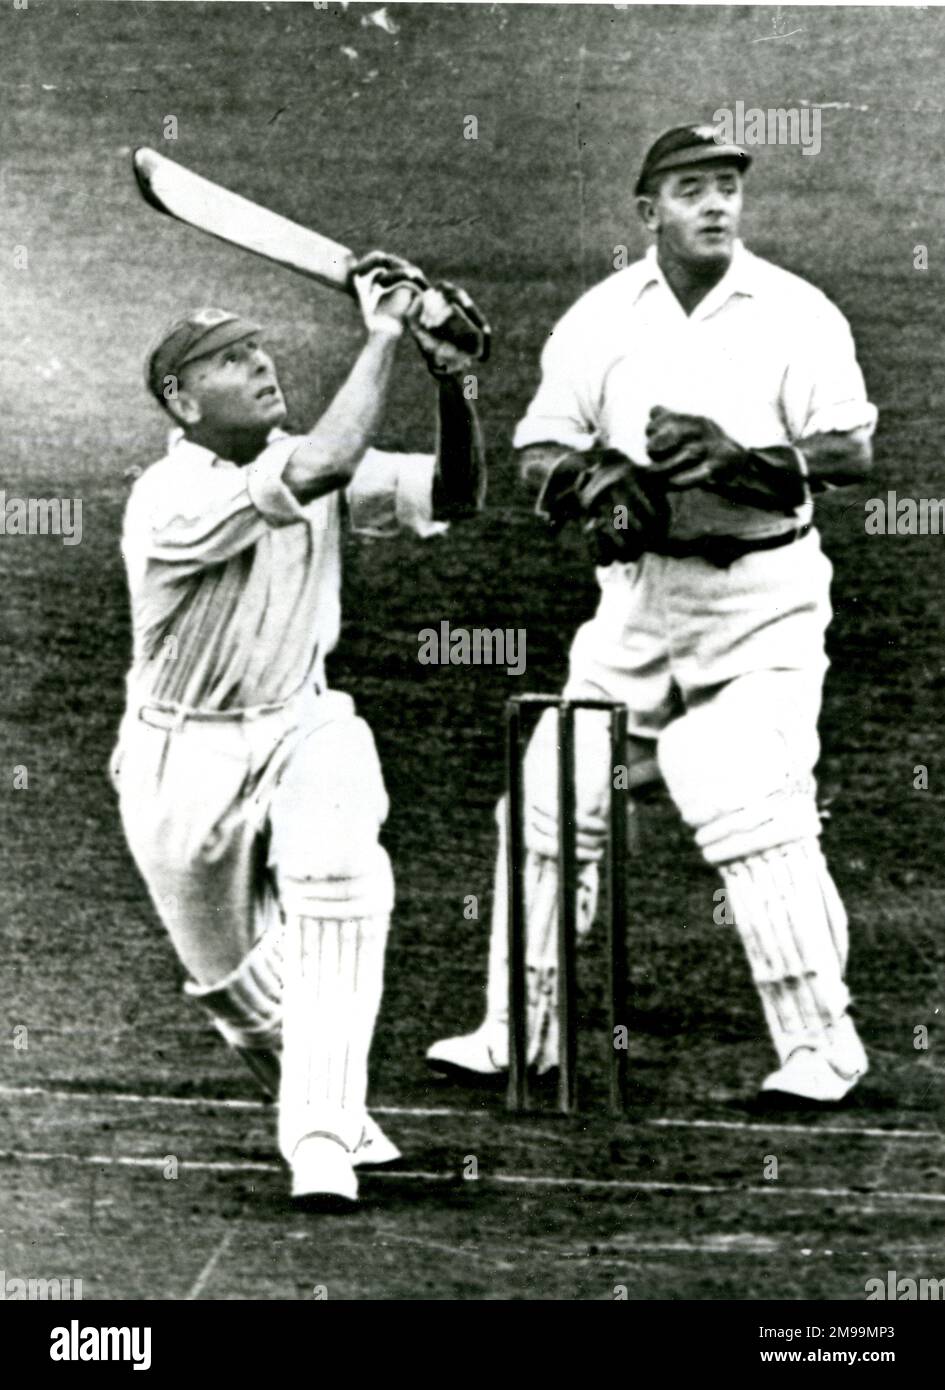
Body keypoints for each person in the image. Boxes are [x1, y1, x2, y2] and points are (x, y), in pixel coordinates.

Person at [427, 123, 876, 1107]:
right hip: (635, 607)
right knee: (549, 790)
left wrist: (738, 457)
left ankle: (821, 1047)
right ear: (648, 212)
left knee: (742, 789)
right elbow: (542, 451)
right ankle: (518, 1031)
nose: (716, 205)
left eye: (727, 187)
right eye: (691, 189)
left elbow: (849, 453)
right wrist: (596, 482)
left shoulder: (796, 313)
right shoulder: (601, 319)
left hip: (761, 601)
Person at [112, 257, 487, 1207]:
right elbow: (318, 464)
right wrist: (386, 334)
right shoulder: (169, 499)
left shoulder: (306, 456)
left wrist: (455, 382)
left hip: (305, 722)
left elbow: (453, 494)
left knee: (340, 873)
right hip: (181, 756)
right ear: (182, 402)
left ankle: (317, 1140)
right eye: (230, 360)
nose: (261, 364)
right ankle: (332, 1107)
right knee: (245, 1002)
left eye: (258, 347)